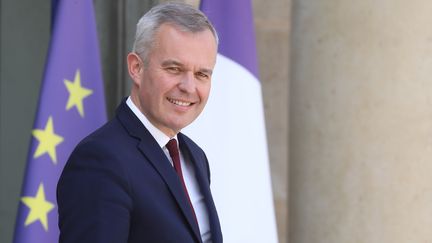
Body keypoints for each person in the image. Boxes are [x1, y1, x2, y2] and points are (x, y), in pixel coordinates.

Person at [56, 2, 222, 243]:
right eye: (174, 69)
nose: (189, 87)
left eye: (201, 74)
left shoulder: (195, 157)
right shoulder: (100, 160)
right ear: (136, 67)